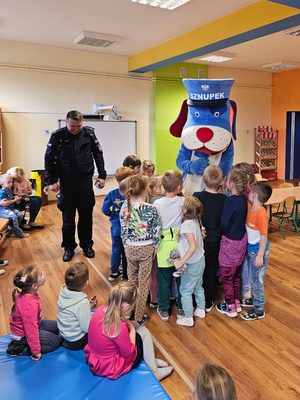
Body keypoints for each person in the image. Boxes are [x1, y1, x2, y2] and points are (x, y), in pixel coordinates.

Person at [44, 110, 106, 262]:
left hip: (85, 181)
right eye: (73, 126)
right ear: (66, 122)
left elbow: (98, 155)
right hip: (67, 182)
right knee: (68, 218)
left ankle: (87, 245)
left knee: (86, 217)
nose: (76, 129)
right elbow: (48, 159)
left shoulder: (89, 134)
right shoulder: (57, 136)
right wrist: (51, 180)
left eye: (79, 126)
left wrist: (102, 175)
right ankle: (69, 247)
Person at [84, 281, 173, 381]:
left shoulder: (100, 309)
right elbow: (129, 353)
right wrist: (131, 330)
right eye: (131, 307)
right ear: (126, 306)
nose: (131, 310)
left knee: (134, 324)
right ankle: (154, 370)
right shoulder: (118, 326)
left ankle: (149, 359)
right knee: (143, 331)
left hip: (96, 359)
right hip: (110, 366)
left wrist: (130, 325)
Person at [120, 174, 160, 325]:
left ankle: (127, 313)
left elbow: (123, 230)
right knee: (143, 284)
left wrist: (125, 245)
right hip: (146, 248)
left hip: (130, 248)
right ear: (146, 190)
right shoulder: (151, 208)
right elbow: (156, 229)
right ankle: (137, 318)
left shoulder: (125, 207)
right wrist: (155, 246)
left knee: (131, 282)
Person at [7, 265, 61, 359]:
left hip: (34, 325)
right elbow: (31, 331)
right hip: (24, 336)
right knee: (55, 342)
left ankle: (27, 344)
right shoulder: (28, 305)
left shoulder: (29, 294)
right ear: (34, 286)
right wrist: (36, 352)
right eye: (41, 274)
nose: (44, 273)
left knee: (58, 327)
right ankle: (21, 348)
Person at [193, 166, 227, 312]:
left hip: (199, 239)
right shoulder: (223, 199)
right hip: (215, 240)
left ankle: (196, 300)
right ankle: (207, 301)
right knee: (211, 269)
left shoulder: (196, 196)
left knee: (196, 269)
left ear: (202, 179)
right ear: (221, 182)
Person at [216, 169, 248, 318]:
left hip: (229, 242)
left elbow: (224, 222)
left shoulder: (229, 201)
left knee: (226, 276)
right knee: (236, 274)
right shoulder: (243, 200)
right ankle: (236, 302)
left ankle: (230, 307)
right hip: (241, 241)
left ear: (232, 184)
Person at [154, 170, 184, 322]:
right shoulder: (183, 201)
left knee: (164, 280)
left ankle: (164, 308)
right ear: (180, 187)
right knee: (181, 280)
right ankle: (182, 307)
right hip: (180, 244)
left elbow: (155, 225)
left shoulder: (157, 203)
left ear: (163, 187)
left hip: (163, 245)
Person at [240, 182, 272, 321]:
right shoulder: (250, 207)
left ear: (254, 195)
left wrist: (259, 255)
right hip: (251, 250)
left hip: (258, 253)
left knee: (256, 281)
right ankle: (255, 299)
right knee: (253, 279)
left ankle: (259, 309)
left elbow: (264, 236)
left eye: (251, 191)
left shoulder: (261, 215)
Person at [174, 196, 206, 327]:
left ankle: (188, 317)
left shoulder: (187, 225)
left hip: (192, 263)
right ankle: (201, 309)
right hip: (200, 260)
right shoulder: (195, 221)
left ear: (185, 209)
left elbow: (192, 246)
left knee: (185, 290)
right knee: (198, 286)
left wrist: (181, 261)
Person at [102, 167, 134, 281]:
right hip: (128, 227)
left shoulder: (112, 194)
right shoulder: (132, 193)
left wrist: (112, 215)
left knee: (116, 249)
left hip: (116, 227)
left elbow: (104, 209)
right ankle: (128, 274)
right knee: (128, 251)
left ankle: (114, 272)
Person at [57, 262, 97, 350]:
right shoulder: (82, 302)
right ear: (87, 282)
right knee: (99, 332)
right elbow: (86, 328)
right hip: (76, 341)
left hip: (64, 334)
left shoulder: (63, 292)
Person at [6, 166, 44, 231]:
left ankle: (31, 221)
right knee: (34, 201)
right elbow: (13, 194)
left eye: (17, 179)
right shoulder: (8, 183)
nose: (16, 181)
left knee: (39, 199)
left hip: (21, 198)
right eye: (15, 179)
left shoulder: (22, 181)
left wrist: (24, 193)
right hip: (14, 202)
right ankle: (22, 223)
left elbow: (29, 191)